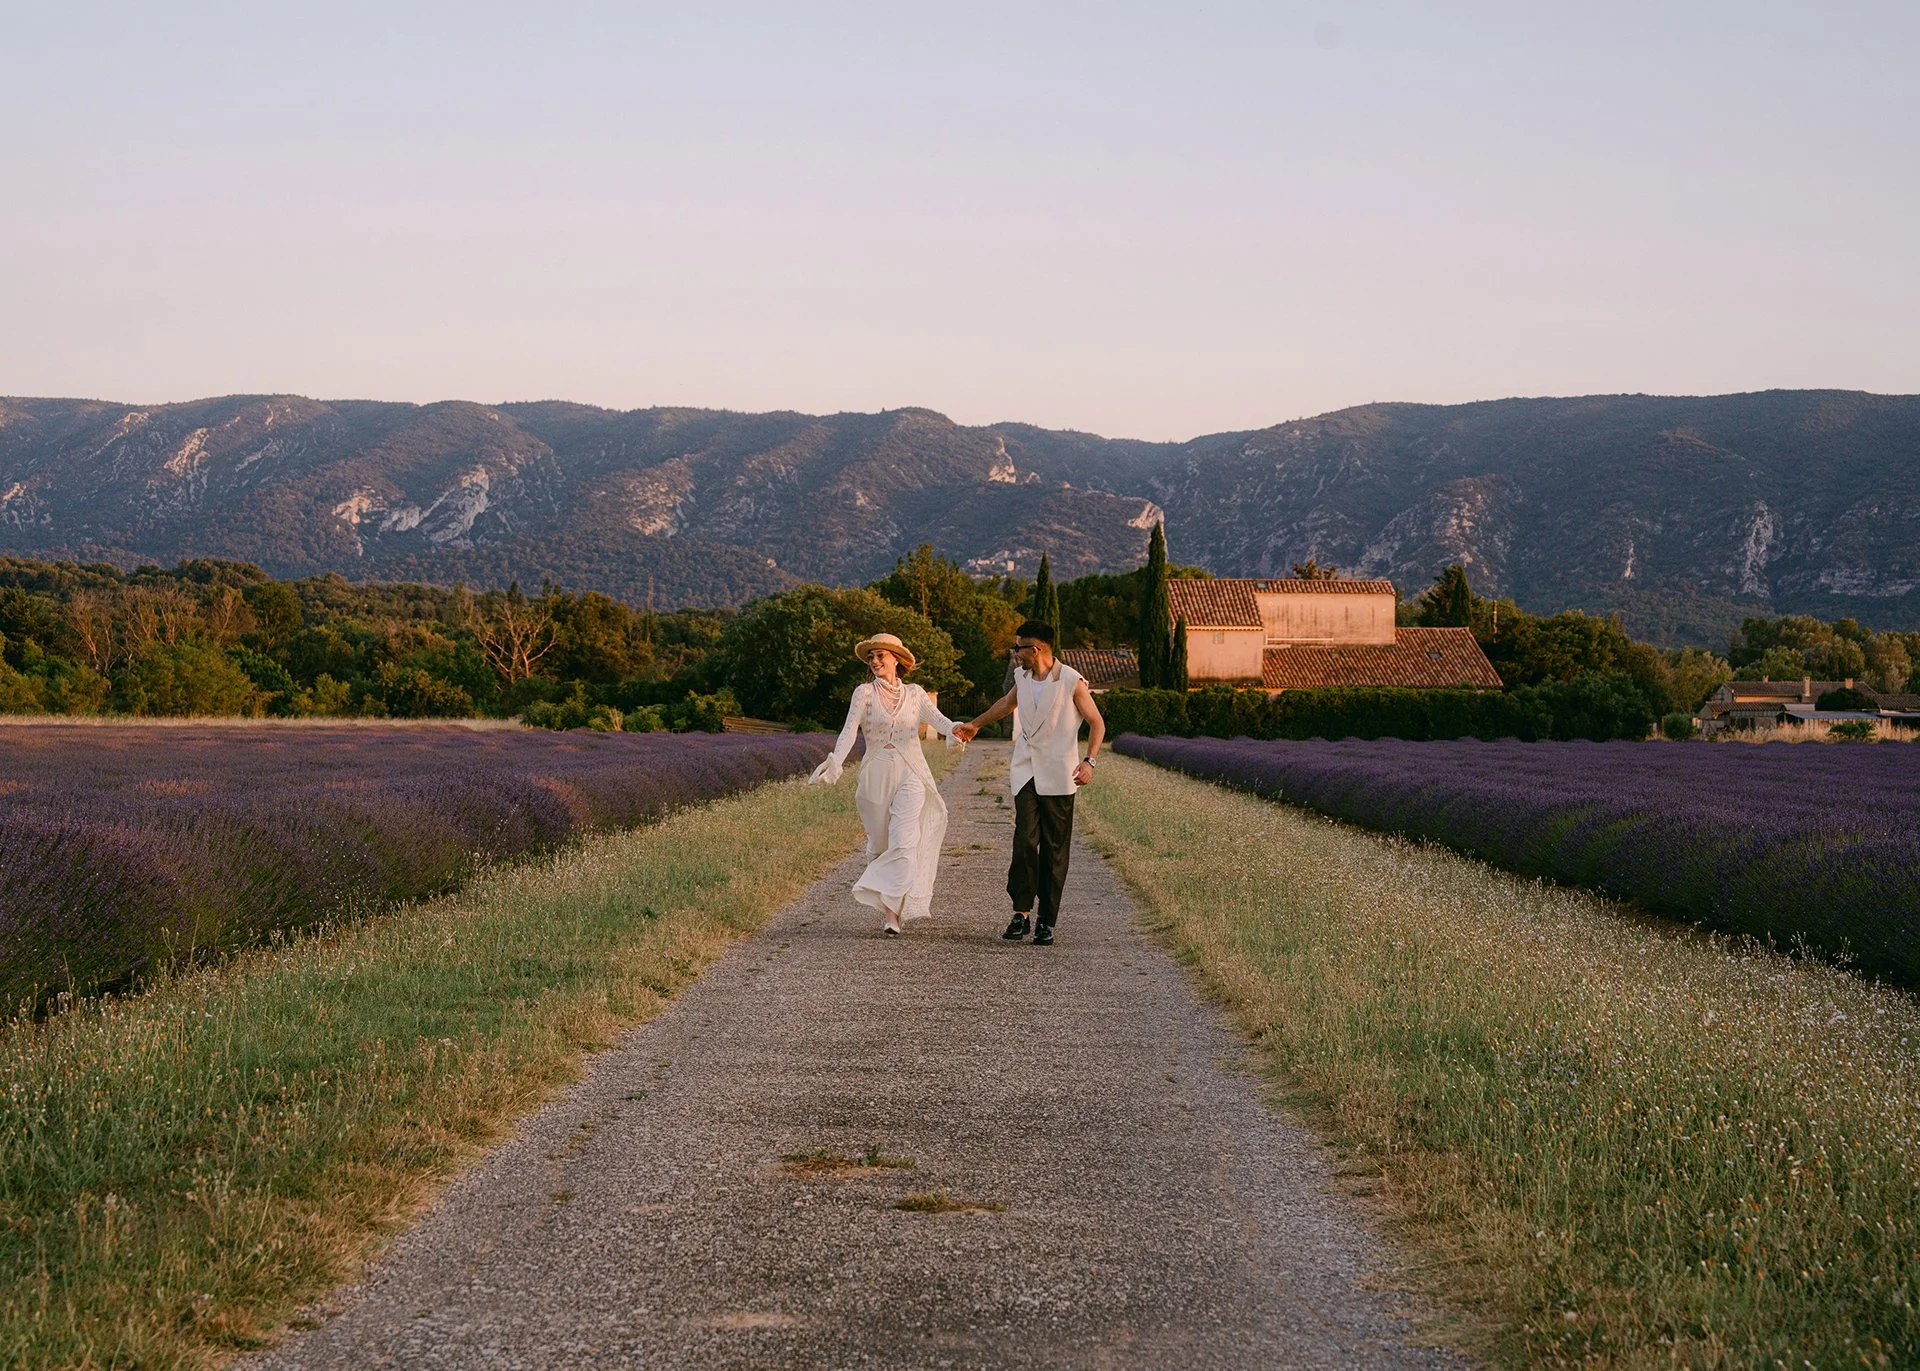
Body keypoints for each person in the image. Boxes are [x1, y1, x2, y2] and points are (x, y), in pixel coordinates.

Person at [951, 619, 1104, 946]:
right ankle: (1020, 913)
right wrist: (975, 725)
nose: (1014, 653)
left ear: (1035, 649)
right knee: (1024, 841)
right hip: (1026, 772)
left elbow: (1096, 723)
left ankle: (1046, 920)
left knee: (1054, 850)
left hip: (1062, 776)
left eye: (1018, 647)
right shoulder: (1021, 677)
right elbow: (1006, 705)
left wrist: (1089, 761)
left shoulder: (1071, 681)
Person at [809, 633, 964, 935]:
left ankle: (892, 916)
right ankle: (883, 891)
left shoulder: (916, 693)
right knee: (881, 846)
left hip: (911, 772)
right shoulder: (863, 693)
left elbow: (941, 721)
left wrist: (958, 730)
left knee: (905, 841)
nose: (876, 661)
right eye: (871, 657)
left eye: (881, 655)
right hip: (875, 774)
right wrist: (836, 761)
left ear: (897, 660)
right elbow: (848, 732)